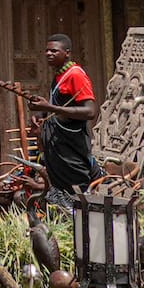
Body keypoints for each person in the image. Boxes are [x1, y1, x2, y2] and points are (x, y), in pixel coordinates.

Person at [30, 34, 98, 211]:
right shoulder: (59, 76)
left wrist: (52, 109)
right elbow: (58, 105)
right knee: (60, 195)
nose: (48, 54)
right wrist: (42, 113)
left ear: (67, 53)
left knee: (75, 193)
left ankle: (81, 226)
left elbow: (90, 111)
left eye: (54, 50)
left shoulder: (75, 75)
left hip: (71, 148)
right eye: (46, 50)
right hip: (59, 147)